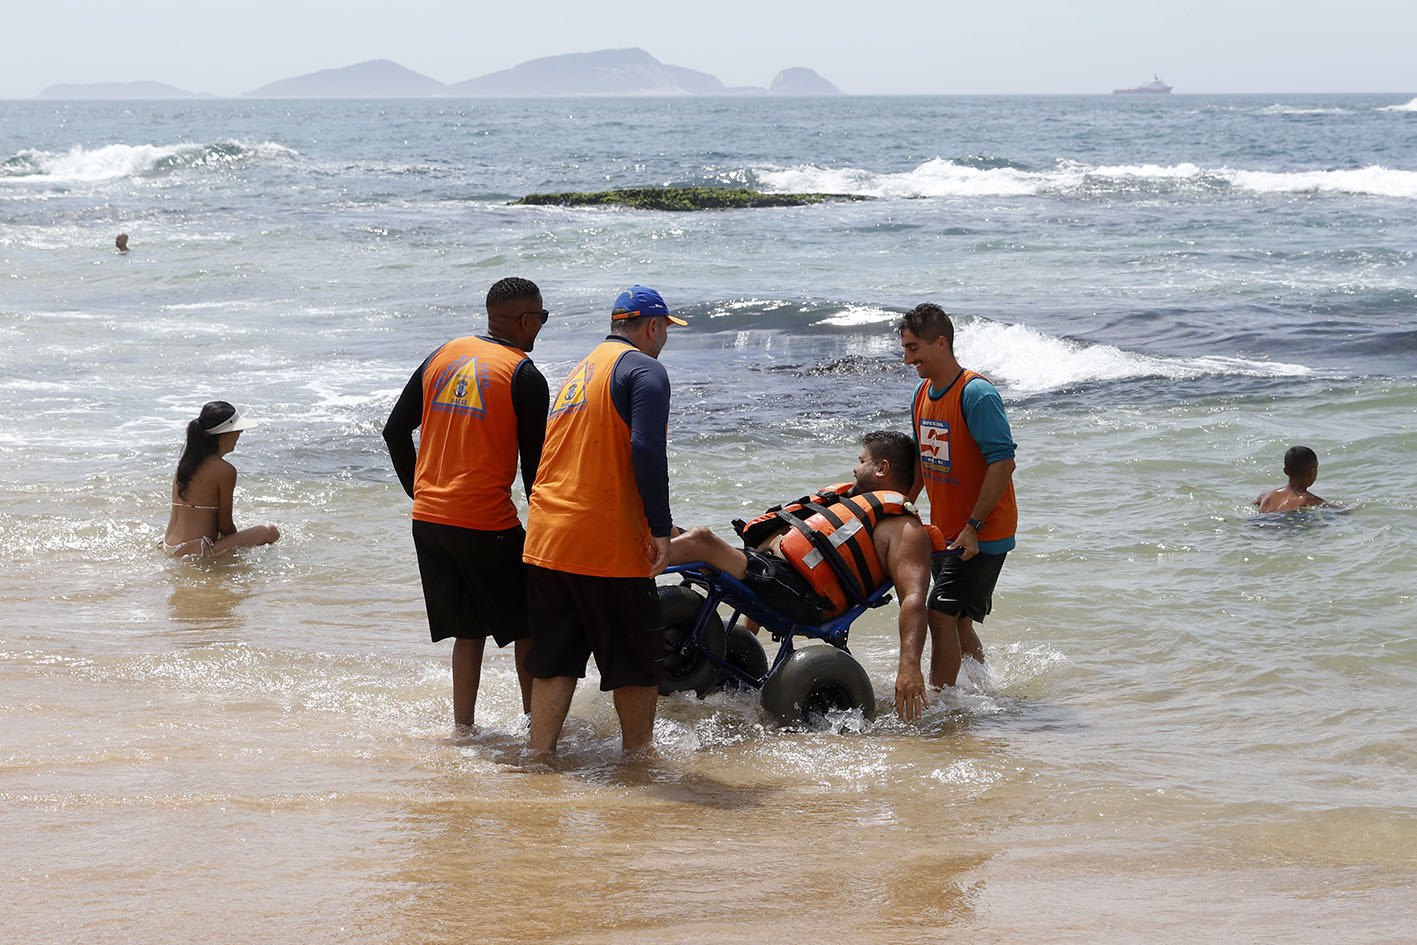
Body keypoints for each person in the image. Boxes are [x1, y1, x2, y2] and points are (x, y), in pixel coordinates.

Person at [668, 431, 939, 721]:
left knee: (702, 541)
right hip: (776, 579)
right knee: (672, 535)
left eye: (861, 462)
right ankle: (640, 561)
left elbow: (913, 598)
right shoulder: (844, 502)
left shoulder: (904, 529)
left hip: (809, 597)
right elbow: (766, 563)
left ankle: (629, 572)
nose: (855, 469)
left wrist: (909, 667)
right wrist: (746, 637)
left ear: (881, 468)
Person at [522, 285, 686, 755]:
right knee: (636, 658)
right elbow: (646, 447)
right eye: (666, 331)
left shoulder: (580, 370)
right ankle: (637, 758)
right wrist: (660, 526)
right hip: (605, 542)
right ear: (652, 327)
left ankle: (539, 756)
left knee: (555, 658)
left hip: (549, 537)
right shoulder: (645, 369)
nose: (665, 341)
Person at [382, 276, 550, 729]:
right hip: (485, 523)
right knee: (527, 627)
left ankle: (463, 727)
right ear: (524, 320)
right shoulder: (523, 374)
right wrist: (546, 530)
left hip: (429, 521)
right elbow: (535, 471)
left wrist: (420, 493)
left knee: (469, 629)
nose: (541, 327)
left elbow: (394, 432)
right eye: (542, 318)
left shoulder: (442, 354)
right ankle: (537, 727)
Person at [899, 302, 1018, 688]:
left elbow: (1003, 464)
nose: (907, 358)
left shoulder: (976, 394)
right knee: (958, 620)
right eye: (905, 348)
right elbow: (922, 459)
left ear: (941, 344)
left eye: (914, 348)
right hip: (946, 532)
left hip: (982, 534)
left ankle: (940, 708)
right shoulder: (921, 395)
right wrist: (900, 506)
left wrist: (973, 527)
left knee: (939, 613)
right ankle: (986, 693)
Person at [162, 401, 280, 557]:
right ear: (227, 433)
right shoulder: (225, 470)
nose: (239, 435)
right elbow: (225, 526)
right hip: (197, 549)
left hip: (169, 546)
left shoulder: (185, 464)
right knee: (269, 532)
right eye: (240, 430)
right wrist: (237, 544)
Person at [1254, 445, 1326, 513]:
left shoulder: (1266, 496)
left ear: (1285, 471)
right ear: (1312, 472)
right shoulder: (1311, 501)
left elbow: (1254, 503)